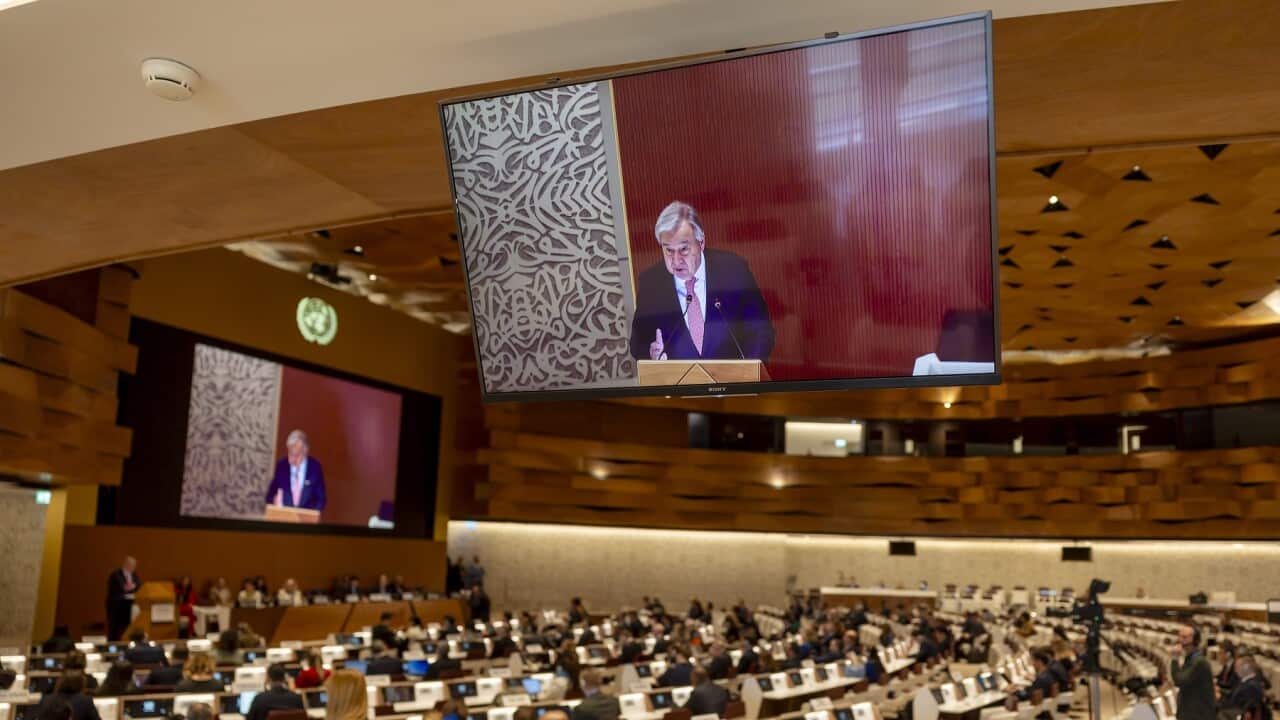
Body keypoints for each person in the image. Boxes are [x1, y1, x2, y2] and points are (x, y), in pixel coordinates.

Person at [629, 201, 774, 364]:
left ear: (701, 243)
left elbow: (761, 331)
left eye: (684, 249)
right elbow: (637, 344)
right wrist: (651, 355)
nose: (676, 261)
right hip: (681, 387)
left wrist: (748, 371)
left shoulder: (733, 270)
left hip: (733, 385)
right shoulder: (651, 283)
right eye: (668, 250)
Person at [265, 429, 327, 511]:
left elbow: (321, 499)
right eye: (290, 453)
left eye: (296, 455)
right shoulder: (281, 466)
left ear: (305, 452)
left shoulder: (315, 468)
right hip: (284, 518)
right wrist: (274, 500)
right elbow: (269, 495)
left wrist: (311, 515)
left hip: (306, 520)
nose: (292, 458)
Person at [1170, 625, 1215, 720]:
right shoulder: (1191, 658)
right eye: (1179, 636)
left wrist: (1174, 659)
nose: (1180, 640)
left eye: (1184, 637)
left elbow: (1179, 681)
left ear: (1195, 640)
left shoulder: (1199, 662)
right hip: (1190, 712)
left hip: (1197, 715)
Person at [1219, 656, 1270, 720]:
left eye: (1237, 667)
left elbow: (1238, 708)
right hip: (1230, 711)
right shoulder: (1246, 681)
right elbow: (1234, 695)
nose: (1235, 670)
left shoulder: (1251, 687)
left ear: (1246, 667)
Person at [106, 556, 140, 640]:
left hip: (129, 605)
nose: (133, 567)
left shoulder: (134, 575)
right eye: (132, 565)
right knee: (115, 628)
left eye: (134, 566)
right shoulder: (116, 574)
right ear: (127, 564)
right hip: (117, 606)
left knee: (127, 626)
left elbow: (139, 585)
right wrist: (130, 587)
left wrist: (132, 587)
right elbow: (122, 587)